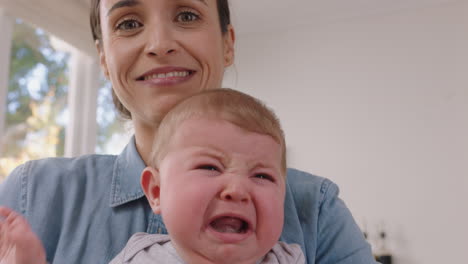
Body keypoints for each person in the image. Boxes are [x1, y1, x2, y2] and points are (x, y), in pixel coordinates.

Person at [0, 0, 377, 263]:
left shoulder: (315, 209)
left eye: (186, 14)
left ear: (227, 44)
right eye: (128, 23)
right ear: (103, 57)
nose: (161, 45)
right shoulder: (33, 195)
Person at [1, 89, 306, 264]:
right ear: (156, 192)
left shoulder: (286, 259)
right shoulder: (142, 260)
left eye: (263, 176)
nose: (238, 189)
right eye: (210, 167)